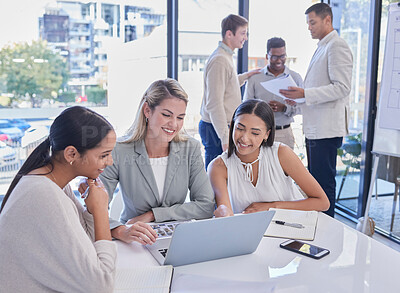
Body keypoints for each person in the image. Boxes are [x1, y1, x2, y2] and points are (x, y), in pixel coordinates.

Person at [0, 106, 137, 292]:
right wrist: (100, 210)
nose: (110, 162)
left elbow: (87, 247)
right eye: (104, 155)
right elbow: (102, 285)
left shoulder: (55, 181)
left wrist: (90, 210)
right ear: (71, 154)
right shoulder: (43, 193)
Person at [79, 79, 215, 244]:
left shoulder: (190, 148)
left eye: (180, 117)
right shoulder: (119, 151)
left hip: (178, 239)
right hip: (134, 240)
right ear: (147, 111)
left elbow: (206, 206)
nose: (174, 124)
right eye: (166, 115)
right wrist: (121, 231)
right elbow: (94, 210)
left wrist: (153, 215)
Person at [280, 3, 353, 217]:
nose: (309, 28)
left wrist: (305, 94)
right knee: (316, 182)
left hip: (326, 129)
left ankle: (326, 226)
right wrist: (299, 100)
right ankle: (319, 224)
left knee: (323, 183)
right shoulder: (322, 46)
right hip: (316, 128)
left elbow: (342, 88)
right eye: (308, 23)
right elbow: (318, 89)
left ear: (327, 20)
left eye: (312, 22)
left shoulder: (336, 46)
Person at [208, 99, 330, 217]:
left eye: (255, 133)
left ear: (267, 134)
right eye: (240, 128)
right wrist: (223, 212)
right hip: (250, 232)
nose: (244, 138)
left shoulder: (282, 154)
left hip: (293, 227)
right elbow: (226, 213)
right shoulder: (218, 167)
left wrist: (272, 207)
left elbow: (322, 202)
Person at [199, 14, 261, 169]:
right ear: (229, 34)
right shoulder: (220, 60)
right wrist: (225, 138)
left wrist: (246, 76)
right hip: (215, 128)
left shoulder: (225, 56)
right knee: (216, 177)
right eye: (242, 33)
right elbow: (214, 104)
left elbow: (227, 84)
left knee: (221, 177)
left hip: (218, 127)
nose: (245, 38)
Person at [244, 37, 303, 150]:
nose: (279, 60)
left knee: (284, 168)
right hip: (259, 133)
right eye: (275, 57)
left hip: (284, 133)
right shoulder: (255, 78)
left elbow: (302, 107)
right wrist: (262, 108)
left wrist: (285, 108)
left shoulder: (295, 78)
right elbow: (246, 106)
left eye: (282, 56)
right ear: (267, 56)